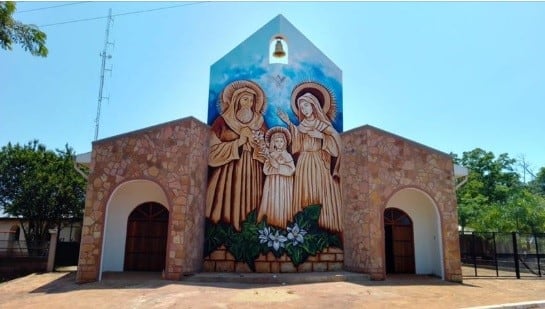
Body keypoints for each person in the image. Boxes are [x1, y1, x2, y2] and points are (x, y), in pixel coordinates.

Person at [206, 80, 268, 231]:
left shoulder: (260, 122)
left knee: (253, 198)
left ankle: (251, 228)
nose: (249, 103)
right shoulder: (222, 121)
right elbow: (212, 150)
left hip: (253, 168)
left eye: (252, 100)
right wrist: (239, 142)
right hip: (228, 169)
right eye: (245, 99)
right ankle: (228, 227)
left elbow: (267, 147)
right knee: (228, 198)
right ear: (236, 100)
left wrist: (254, 143)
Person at [278, 92, 343, 232]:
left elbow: (336, 139)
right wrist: (289, 122)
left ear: (314, 106)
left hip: (319, 161)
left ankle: (322, 224)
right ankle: (304, 226)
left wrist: (321, 136)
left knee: (318, 190)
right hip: (304, 161)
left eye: (306, 105)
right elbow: (297, 142)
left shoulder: (321, 124)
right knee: (305, 190)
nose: (304, 109)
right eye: (301, 108)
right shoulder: (301, 125)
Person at [257, 127, 296, 228]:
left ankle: (283, 223)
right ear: (272, 143)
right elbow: (266, 170)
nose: (279, 143)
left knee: (282, 203)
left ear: (285, 142)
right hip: (272, 184)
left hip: (284, 184)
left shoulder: (287, 156)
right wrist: (273, 165)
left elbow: (291, 170)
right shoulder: (271, 155)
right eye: (276, 141)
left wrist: (278, 166)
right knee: (272, 202)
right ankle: (270, 222)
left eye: (281, 141)